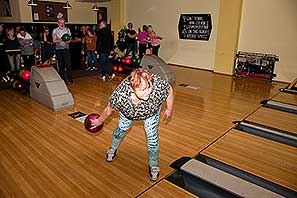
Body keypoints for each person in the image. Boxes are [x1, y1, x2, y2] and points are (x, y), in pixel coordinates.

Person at [91, 68, 174, 181]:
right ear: (132, 88)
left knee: (152, 137)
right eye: (143, 90)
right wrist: (99, 121)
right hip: (128, 113)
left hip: (150, 113)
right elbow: (108, 110)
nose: (148, 92)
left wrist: (169, 109)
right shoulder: (120, 96)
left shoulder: (157, 85)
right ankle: (113, 149)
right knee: (121, 130)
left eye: (149, 87)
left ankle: (153, 164)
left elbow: (169, 91)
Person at [52, 15, 73, 84]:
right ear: (58, 23)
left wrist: (66, 40)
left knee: (68, 64)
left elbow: (69, 40)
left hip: (66, 49)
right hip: (59, 49)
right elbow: (54, 41)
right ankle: (62, 79)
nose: (62, 24)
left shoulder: (67, 30)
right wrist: (61, 39)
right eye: (61, 23)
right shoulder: (55, 30)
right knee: (61, 65)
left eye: (63, 23)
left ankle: (70, 79)